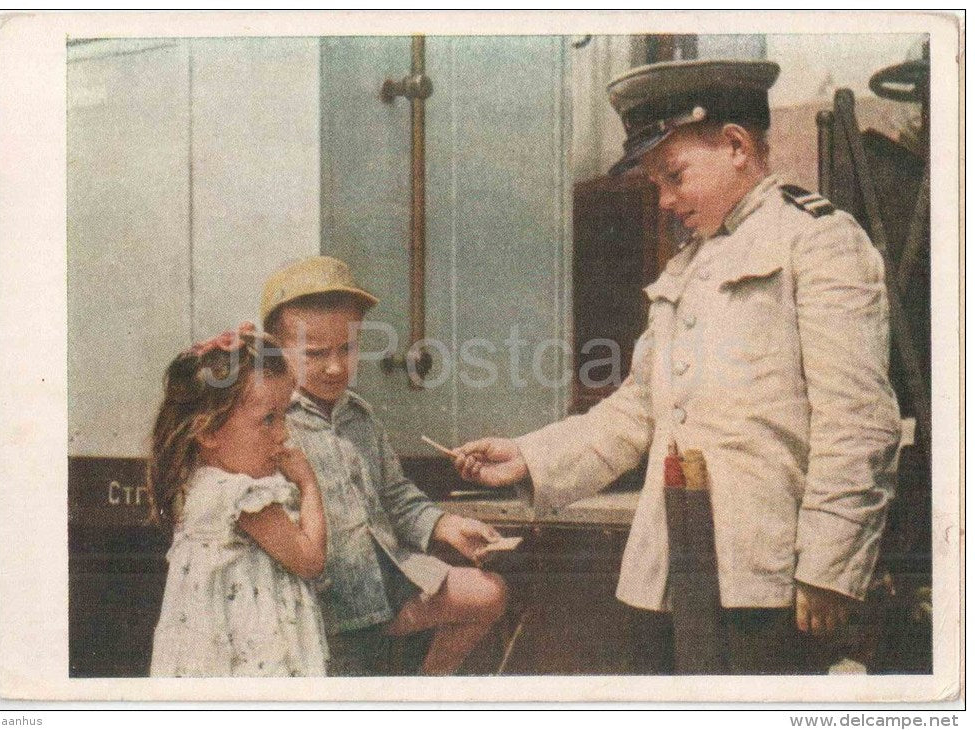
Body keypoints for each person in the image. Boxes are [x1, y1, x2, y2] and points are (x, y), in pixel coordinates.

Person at [453, 59, 901, 674]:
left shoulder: (819, 240)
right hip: (674, 565)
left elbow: (858, 421)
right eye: (655, 182)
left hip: (772, 576)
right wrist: (530, 457)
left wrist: (829, 565)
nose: (664, 200)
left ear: (737, 146)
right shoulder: (688, 267)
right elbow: (637, 410)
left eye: (675, 175)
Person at [261, 257, 507, 676]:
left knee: (488, 593)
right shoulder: (271, 423)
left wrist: (446, 526)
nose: (336, 367)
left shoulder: (360, 416)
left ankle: (427, 692)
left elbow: (395, 495)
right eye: (316, 353)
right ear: (276, 350)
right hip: (324, 600)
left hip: (387, 580)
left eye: (347, 349)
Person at [148, 323, 330, 677]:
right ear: (208, 432)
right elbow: (310, 560)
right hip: (253, 652)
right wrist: (309, 485)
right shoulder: (243, 497)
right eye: (268, 420)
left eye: (284, 416)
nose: (283, 434)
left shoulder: (202, 484)